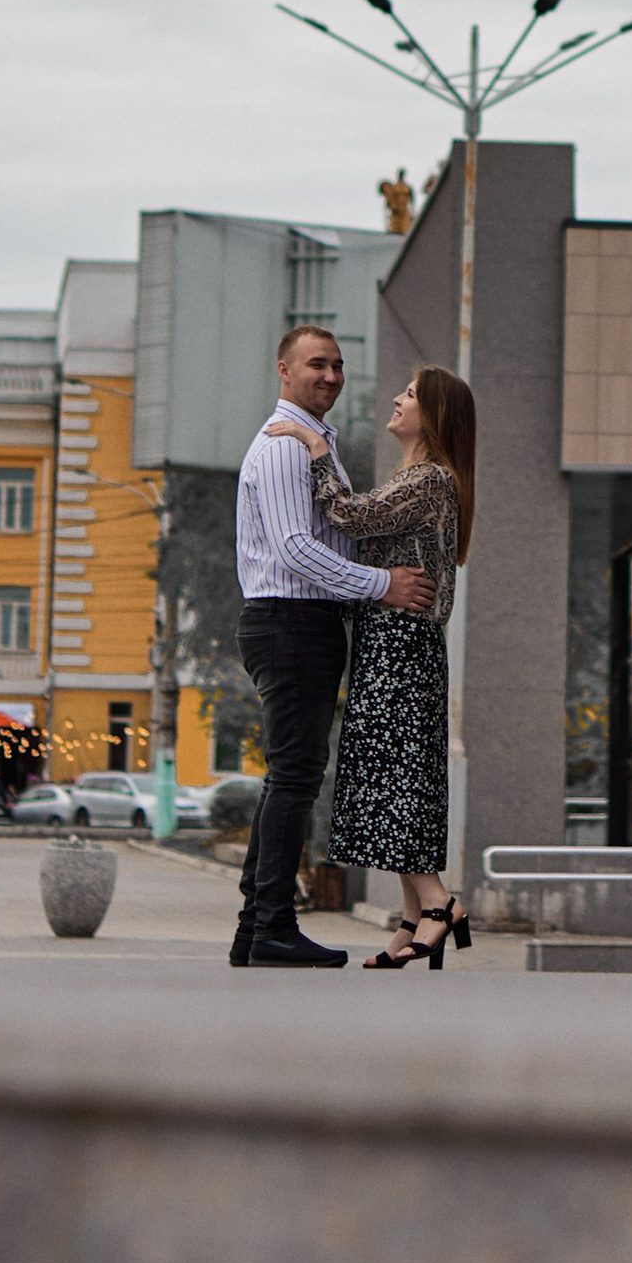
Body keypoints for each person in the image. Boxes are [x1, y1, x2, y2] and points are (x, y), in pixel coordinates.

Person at [230, 322, 435, 970]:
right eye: (317, 363)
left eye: (338, 365)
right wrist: (383, 584)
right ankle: (272, 926)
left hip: (298, 621)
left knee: (287, 775)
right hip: (289, 620)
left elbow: (334, 528)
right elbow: (296, 547)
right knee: (294, 775)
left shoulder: (311, 443)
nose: (330, 376)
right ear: (284, 370)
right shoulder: (286, 447)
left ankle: (255, 929)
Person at [303, 367, 475, 968]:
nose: (398, 400)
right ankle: (413, 916)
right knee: (400, 774)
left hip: (401, 644)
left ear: (434, 415)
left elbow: (347, 516)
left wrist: (317, 449)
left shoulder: (429, 479)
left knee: (396, 774)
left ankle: (439, 903)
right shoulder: (419, 478)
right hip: (393, 642)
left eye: (411, 394)